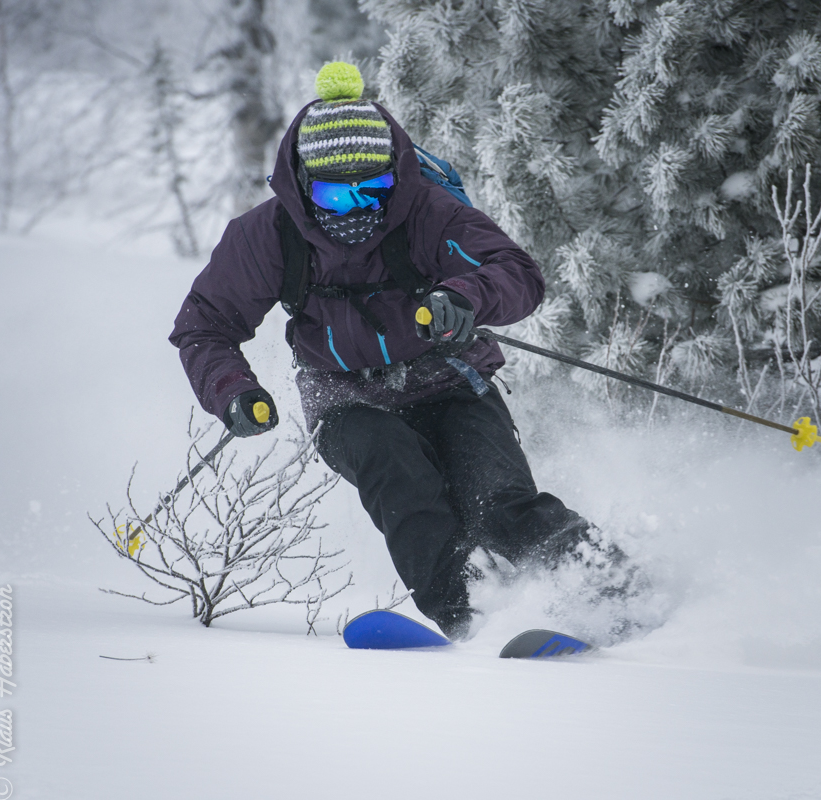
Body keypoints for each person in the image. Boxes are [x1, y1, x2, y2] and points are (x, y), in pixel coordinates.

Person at [170, 63, 594, 639]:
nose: (356, 209)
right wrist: (233, 392)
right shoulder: (266, 235)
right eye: (334, 193)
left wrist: (463, 295)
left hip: (450, 378)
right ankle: (473, 617)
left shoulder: (426, 212)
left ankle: (610, 588)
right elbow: (204, 326)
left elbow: (517, 273)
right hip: (346, 398)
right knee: (404, 483)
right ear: (302, 184)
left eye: (373, 188)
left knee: (501, 506)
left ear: (394, 175)